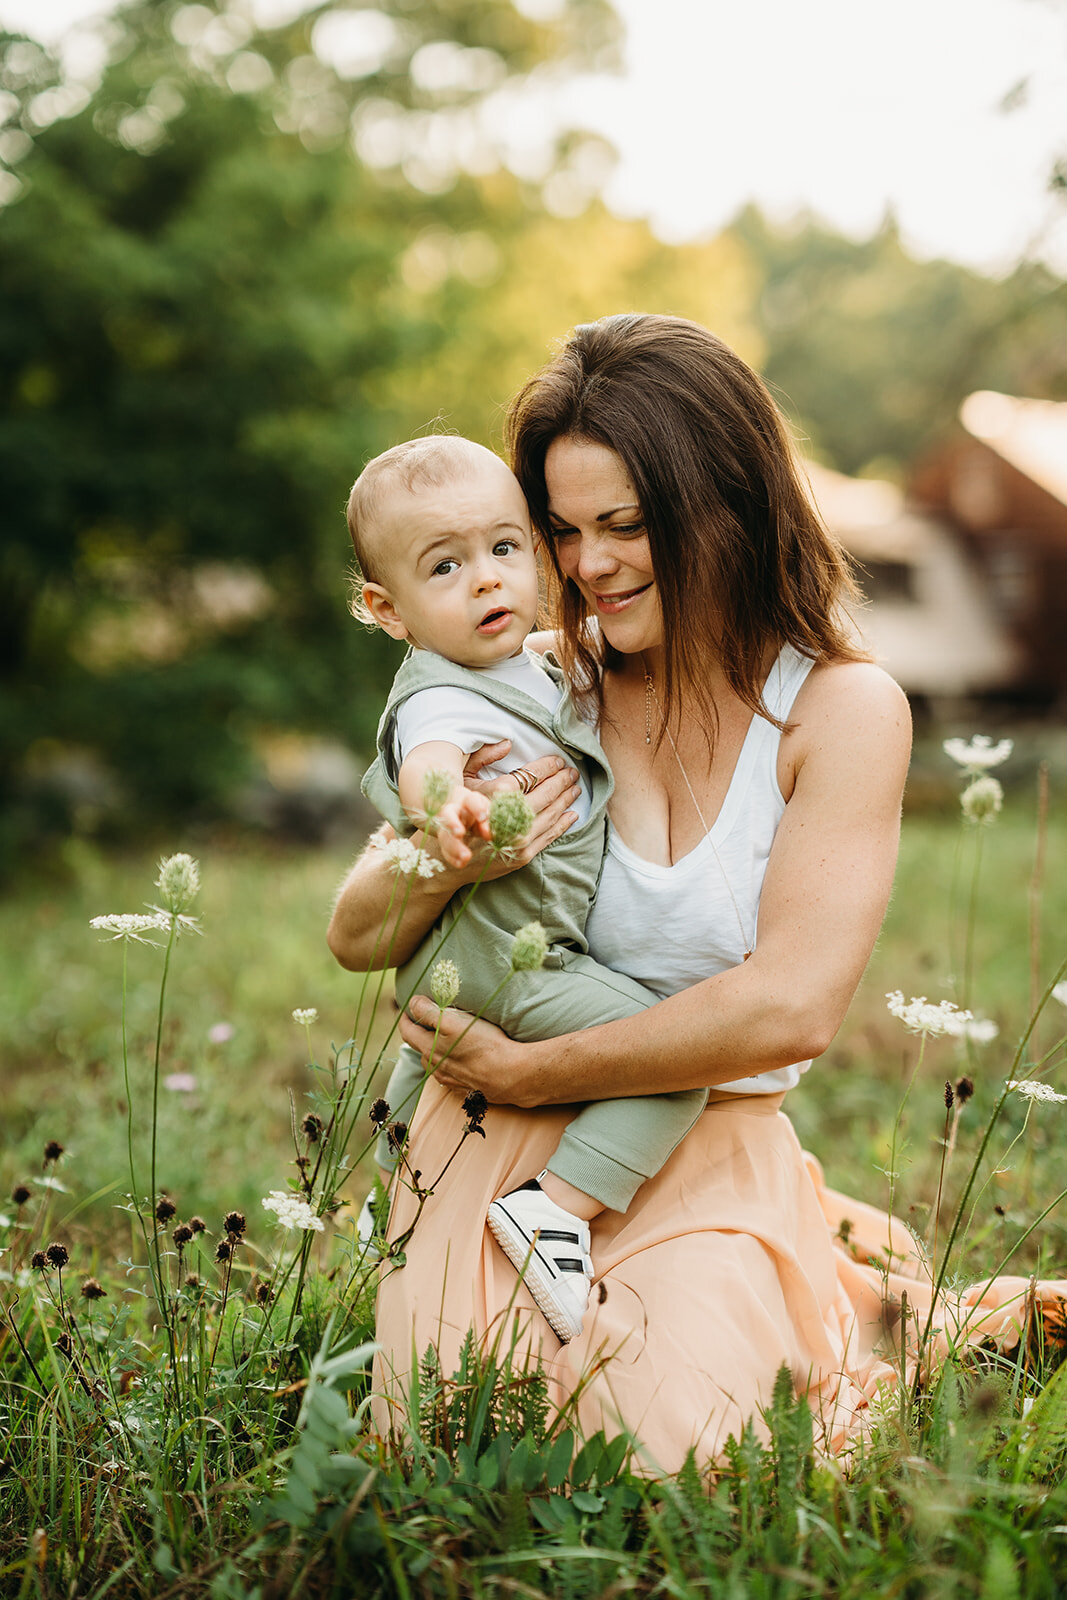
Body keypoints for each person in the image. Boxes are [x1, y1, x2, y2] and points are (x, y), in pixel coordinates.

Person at [328, 315, 1055, 1469]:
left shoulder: (839, 712)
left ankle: (859, 1306)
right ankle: (844, 1299)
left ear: (728, 502)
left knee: (676, 1448)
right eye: (560, 530)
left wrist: (531, 1066)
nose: (588, 565)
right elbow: (356, 932)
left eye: (624, 524)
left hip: (697, 1138)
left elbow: (785, 1009)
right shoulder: (545, 677)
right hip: (483, 1139)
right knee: (462, 1436)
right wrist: (452, 854)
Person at [347, 434, 711, 1343]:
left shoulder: (527, 668)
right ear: (387, 610)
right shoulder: (442, 694)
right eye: (446, 567)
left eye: (505, 549)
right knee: (672, 1065)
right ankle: (554, 1210)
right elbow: (427, 762)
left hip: (469, 958)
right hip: (516, 964)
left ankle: (386, 1198)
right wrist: (451, 817)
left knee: (417, 1057)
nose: (486, 580)